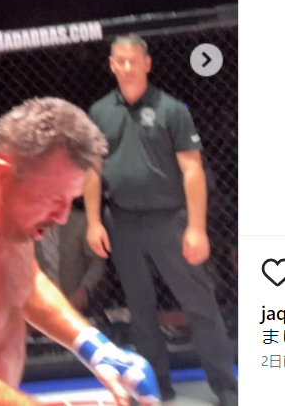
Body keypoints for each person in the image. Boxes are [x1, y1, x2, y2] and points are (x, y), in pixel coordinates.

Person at [0, 97, 162, 406]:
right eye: (52, 198)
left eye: (70, 200)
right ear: (2, 174)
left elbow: (26, 281)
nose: (62, 216)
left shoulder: (10, 211)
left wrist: (95, 347)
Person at [84, 34, 238, 406]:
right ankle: (156, 387)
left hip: (170, 219)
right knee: (140, 310)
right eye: (120, 61)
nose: (126, 67)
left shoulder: (171, 109)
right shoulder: (99, 112)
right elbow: (92, 171)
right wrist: (93, 222)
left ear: (147, 63)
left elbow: (193, 170)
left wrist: (196, 227)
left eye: (133, 60)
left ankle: (226, 387)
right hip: (122, 221)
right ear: (111, 65)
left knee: (199, 305)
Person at [35, 204, 106, 314]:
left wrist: (84, 289)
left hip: (75, 302)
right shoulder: (22, 232)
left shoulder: (79, 222)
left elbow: (97, 262)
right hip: (40, 305)